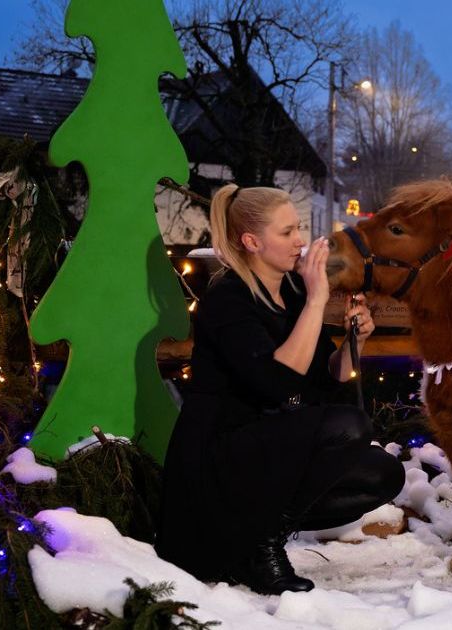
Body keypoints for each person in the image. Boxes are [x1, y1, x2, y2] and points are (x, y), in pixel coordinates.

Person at [156, 185, 404, 595]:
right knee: (351, 427)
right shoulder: (228, 299)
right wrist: (316, 302)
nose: (300, 241)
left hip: (273, 444)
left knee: (383, 473)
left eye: (299, 228)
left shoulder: (290, 291)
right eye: (287, 232)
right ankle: (259, 546)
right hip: (221, 453)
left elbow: (326, 377)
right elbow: (277, 384)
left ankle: (259, 534)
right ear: (252, 242)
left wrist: (353, 343)